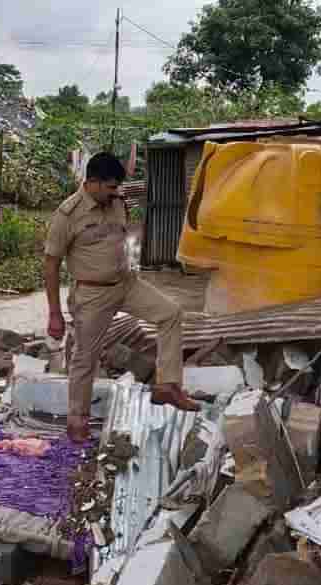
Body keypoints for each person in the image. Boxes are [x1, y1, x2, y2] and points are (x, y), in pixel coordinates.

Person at [45, 152, 199, 443]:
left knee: (171, 313)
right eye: (111, 187)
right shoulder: (67, 215)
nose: (117, 192)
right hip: (91, 294)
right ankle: (77, 421)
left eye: (118, 187)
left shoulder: (118, 204)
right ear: (91, 182)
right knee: (84, 358)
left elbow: (123, 238)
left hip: (126, 284)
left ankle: (167, 385)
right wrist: (54, 313)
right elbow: (51, 263)